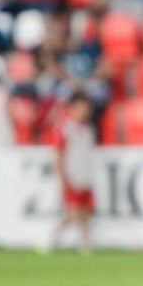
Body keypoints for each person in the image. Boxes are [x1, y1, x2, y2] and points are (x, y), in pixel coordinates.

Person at [49, 91, 95, 254]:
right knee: (74, 212)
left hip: (85, 176)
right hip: (72, 176)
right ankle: (53, 237)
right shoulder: (65, 128)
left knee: (85, 213)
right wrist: (61, 178)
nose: (86, 110)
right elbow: (58, 155)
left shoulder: (88, 129)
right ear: (73, 107)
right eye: (83, 106)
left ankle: (85, 245)